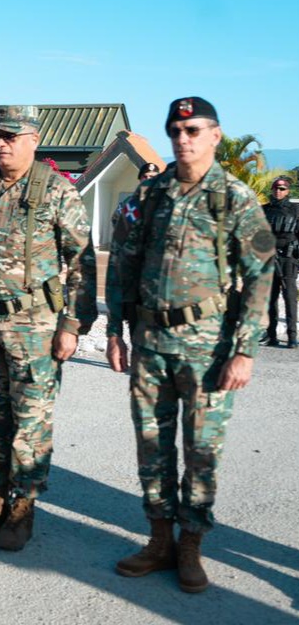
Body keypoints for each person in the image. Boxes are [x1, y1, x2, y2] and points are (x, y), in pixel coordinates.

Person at [106, 96, 275, 593]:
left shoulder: (235, 199)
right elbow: (123, 265)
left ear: (215, 136)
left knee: (202, 450)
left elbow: (262, 273)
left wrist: (245, 349)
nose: (183, 139)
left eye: (194, 131)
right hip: (151, 343)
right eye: (176, 131)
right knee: (152, 447)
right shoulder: (150, 195)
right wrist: (116, 331)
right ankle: (159, 539)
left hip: (210, 348)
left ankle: (191, 545)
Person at [0, 105, 97, 551]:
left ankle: (22, 507)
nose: (1, 143)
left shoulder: (56, 191)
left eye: (12, 136)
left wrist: (72, 325)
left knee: (30, 420)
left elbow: (80, 262)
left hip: (36, 326)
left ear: (34, 139)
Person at [261, 176, 299, 347]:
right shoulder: (264, 210)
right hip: (269, 258)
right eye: (276, 188)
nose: (278, 191)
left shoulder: (296, 210)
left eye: (282, 189)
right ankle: (271, 335)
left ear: (288, 191)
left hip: (289, 259)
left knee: (290, 297)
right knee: (270, 298)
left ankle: (292, 336)